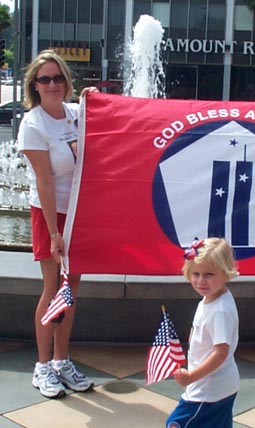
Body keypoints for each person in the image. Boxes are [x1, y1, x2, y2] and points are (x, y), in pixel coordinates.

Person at [18, 49, 98, 398]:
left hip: (80, 212)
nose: (52, 84)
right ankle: (42, 365)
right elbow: (44, 182)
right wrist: (53, 233)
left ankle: (62, 362)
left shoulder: (77, 114)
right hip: (51, 214)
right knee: (52, 288)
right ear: (34, 85)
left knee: (72, 290)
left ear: (67, 81)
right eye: (44, 79)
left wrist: (97, 101)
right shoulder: (33, 124)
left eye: (58, 77)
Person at [166, 237, 240, 428]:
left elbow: (221, 352)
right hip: (223, 385)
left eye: (209, 274)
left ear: (225, 273)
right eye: (196, 274)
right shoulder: (215, 298)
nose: (201, 281)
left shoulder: (219, 310)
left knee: (175, 424)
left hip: (207, 390)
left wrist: (191, 377)